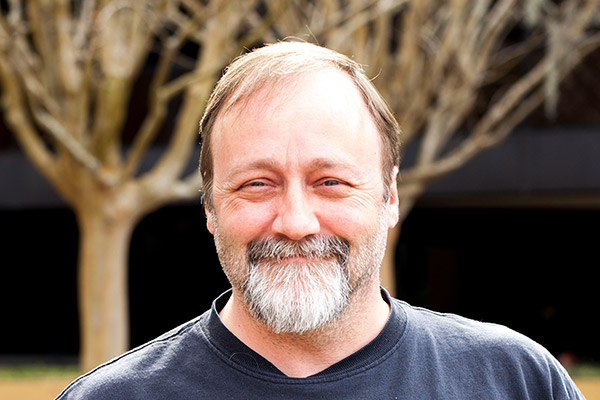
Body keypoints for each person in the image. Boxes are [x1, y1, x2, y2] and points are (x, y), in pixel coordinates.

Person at [56, 41, 583, 399]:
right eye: (256, 184)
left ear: (390, 195)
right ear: (211, 209)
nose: (295, 221)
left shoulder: (515, 381)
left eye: (329, 181)